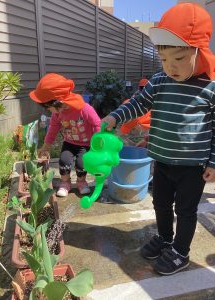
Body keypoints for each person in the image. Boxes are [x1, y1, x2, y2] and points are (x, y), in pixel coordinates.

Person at [101, 3, 215, 275]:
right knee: (160, 203)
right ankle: (165, 237)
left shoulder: (210, 87)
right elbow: (139, 103)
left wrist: (213, 161)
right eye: (164, 60)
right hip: (161, 160)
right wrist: (115, 117)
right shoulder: (160, 80)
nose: (170, 67)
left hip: (192, 166)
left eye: (178, 58)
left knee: (185, 211)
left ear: (199, 53)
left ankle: (181, 251)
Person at [29, 73, 101, 197]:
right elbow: (53, 128)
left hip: (85, 143)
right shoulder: (57, 113)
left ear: (58, 103)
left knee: (81, 163)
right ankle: (65, 182)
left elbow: (97, 124)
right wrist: (46, 146)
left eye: (48, 107)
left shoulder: (84, 109)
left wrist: (96, 146)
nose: (48, 110)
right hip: (69, 142)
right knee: (64, 160)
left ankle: (81, 182)